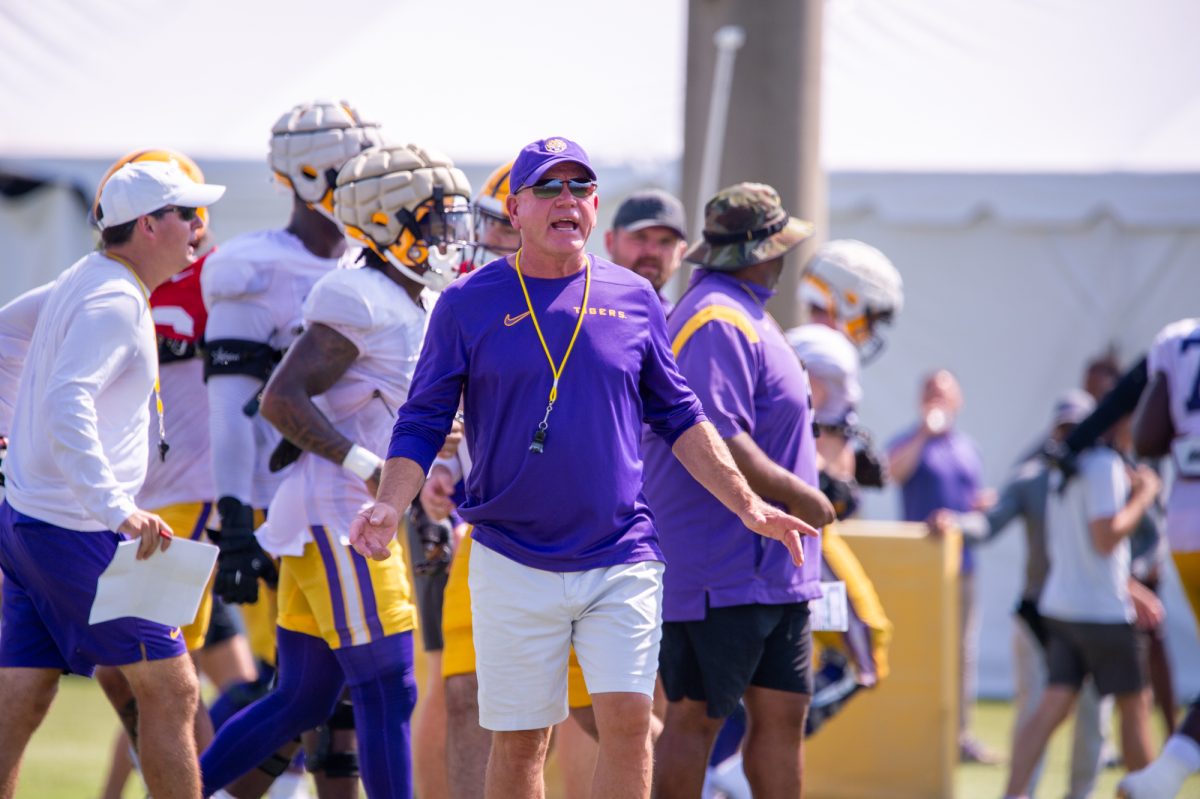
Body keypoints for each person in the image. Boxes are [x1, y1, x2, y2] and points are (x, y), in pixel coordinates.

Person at [350, 137, 822, 799]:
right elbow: (425, 416)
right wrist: (390, 502)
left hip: (621, 551)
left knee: (630, 722)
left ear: (596, 206)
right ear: (514, 209)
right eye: (547, 188)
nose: (565, 200)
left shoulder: (635, 298)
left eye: (579, 187)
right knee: (521, 741)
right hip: (510, 553)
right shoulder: (465, 304)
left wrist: (748, 503)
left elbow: (681, 415)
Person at [200, 142, 470, 799]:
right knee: (388, 686)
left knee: (303, 695)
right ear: (386, 226)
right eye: (433, 223)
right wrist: (365, 462)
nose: (447, 238)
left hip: (349, 509)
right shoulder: (359, 294)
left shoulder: (410, 299)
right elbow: (280, 397)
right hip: (341, 509)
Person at [0, 160, 225, 799]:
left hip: (28, 522)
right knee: (174, 687)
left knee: (22, 692)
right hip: (76, 529)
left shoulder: (88, 278)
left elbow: (3, 337)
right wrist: (115, 508)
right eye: (188, 214)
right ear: (149, 225)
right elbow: (68, 398)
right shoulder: (114, 300)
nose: (200, 227)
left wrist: (10, 438)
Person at [201, 99, 381, 797]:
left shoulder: (374, 261)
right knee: (319, 695)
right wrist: (235, 518)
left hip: (356, 506)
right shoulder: (254, 268)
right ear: (312, 172)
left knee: (330, 703)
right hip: (287, 510)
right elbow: (231, 405)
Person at [640, 181, 834, 799]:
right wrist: (804, 496)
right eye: (779, 245)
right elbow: (718, 433)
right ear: (758, 250)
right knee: (693, 722)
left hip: (773, 565)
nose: (785, 256)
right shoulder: (717, 316)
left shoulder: (743, 309)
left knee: (783, 717)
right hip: (719, 565)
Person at [929, 390, 1119, 799]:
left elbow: (1128, 541)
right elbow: (988, 524)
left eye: (1079, 429)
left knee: (1093, 719)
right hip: (1041, 613)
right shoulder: (1033, 480)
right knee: (1034, 712)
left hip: (1094, 612)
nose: (1072, 440)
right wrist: (957, 524)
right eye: (1065, 430)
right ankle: (1021, 794)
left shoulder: (1109, 476)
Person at [1003, 415, 1161, 799]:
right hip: (1101, 612)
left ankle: (1012, 794)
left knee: (1052, 705)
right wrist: (1143, 495)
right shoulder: (1103, 465)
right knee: (1135, 705)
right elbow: (1104, 538)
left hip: (1062, 607)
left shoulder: (1061, 470)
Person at [785, 239, 902, 735]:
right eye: (869, 315)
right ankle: (731, 773)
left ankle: (734, 771)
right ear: (850, 299)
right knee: (864, 648)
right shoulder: (823, 350)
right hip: (805, 534)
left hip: (800, 531)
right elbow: (794, 429)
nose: (869, 329)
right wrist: (830, 481)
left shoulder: (805, 345)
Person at [887, 368, 999, 763]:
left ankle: (960, 736)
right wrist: (923, 433)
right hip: (920, 568)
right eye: (930, 393)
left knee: (962, 654)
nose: (937, 400)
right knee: (917, 651)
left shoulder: (968, 448)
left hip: (961, 566)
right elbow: (892, 473)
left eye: (944, 393)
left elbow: (969, 502)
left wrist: (979, 505)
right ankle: (913, 734)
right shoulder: (907, 441)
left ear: (958, 400)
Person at [1119, 317, 1200, 799]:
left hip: (1188, 522)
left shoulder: (1180, 338)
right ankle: (1164, 777)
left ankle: (1163, 775)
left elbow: (1148, 438)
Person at [605, 188, 688, 312]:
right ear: (610, 241)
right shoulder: (581, 309)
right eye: (640, 237)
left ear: (681, 253)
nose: (652, 252)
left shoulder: (680, 324)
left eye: (666, 241)